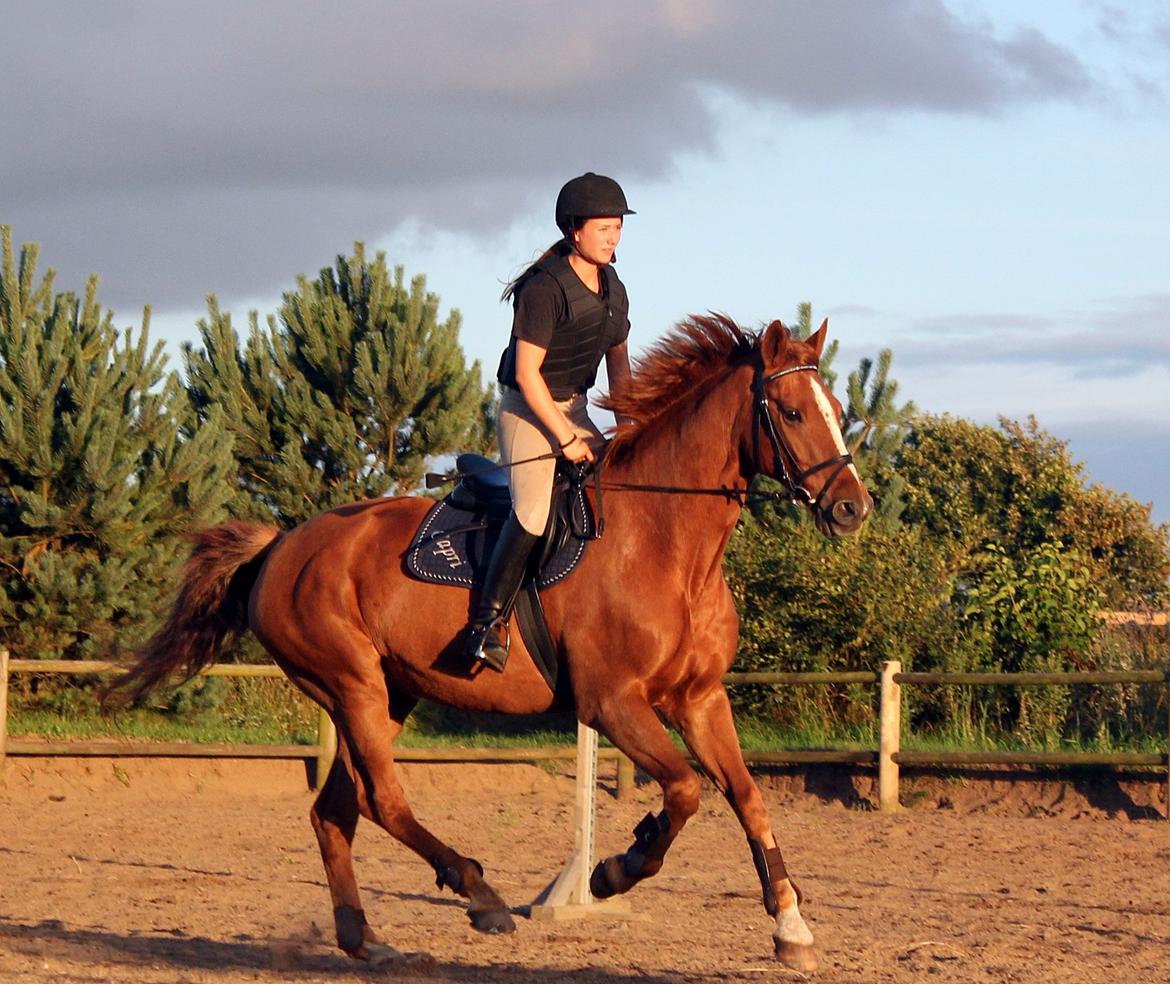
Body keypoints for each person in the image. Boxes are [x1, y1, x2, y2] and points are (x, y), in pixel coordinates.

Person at [464, 172, 635, 672]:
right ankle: (486, 623)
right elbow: (526, 373)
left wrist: (628, 430)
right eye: (604, 227)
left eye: (618, 228)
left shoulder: (614, 289)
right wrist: (565, 439)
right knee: (535, 512)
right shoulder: (544, 289)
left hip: (575, 407)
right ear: (574, 230)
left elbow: (619, 368)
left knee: (620, 490)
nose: (613, 236)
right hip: (528, 410)